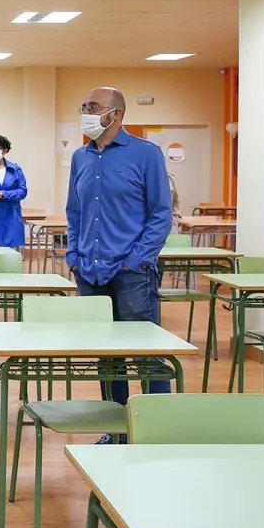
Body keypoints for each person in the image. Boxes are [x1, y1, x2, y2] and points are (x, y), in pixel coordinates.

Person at [66, 86, 172, 444]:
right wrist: (74, 257)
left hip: (131, 273)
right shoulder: (80, 157)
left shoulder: (146, 154)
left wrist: (137, 260)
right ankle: (118, 430)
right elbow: (74, 212)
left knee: (148, 355)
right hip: (90, 272)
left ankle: (157, 430)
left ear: (116, 114)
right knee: (108, 358)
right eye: (84, 106)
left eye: (93, 106)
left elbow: (161, 215)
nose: (86, 111)